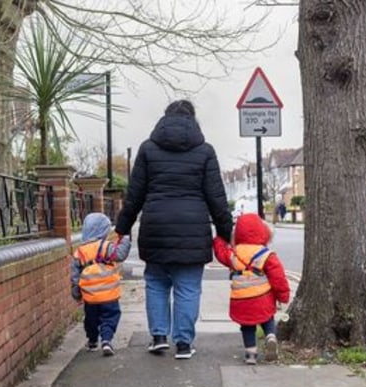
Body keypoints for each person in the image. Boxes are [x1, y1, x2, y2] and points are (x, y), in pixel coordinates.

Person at [114, 99, 233, 359]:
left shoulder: (147, 149)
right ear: (193, 120)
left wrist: (121, 229)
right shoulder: (205, 151)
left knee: (156, 283)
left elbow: (134, 196)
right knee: (188, 287)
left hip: (155, 227)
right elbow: (217, 197)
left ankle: (158, 337)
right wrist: (226, 233)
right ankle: (183, 343)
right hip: (193, 230)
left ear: (165, 119)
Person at [213, 213, 290, 365]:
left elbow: (221, 254)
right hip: (263, 297)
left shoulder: (234, 253)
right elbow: (278, 276)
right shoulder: (266, 254)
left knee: (247, 326)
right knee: (268, 318)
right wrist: (283, 296)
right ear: (263, 231)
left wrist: (218, 240)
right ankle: (270, 336)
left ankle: (251, 354)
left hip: (241, 299)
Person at [70, 213, 131, 356]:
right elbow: (120, 254)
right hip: (110, 294)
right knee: (110, 317)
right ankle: (106, 340)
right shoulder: (106, 247)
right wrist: (125, 239)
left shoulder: (80, 252)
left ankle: (92, 340)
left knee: (91, 319)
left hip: (90, 296)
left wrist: (76, 292)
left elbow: (74, 275)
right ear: (104, 230)